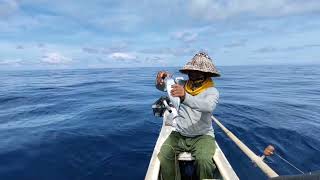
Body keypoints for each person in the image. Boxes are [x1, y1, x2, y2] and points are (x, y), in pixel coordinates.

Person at [155, 52, 220, 180]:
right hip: (179, 133)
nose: (192, 73)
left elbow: (208, 106)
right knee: (164, 155)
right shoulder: (182, 84)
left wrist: (184, 96)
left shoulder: (212, 91)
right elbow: (163, 87)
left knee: (204, 160)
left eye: (197, 71)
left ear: (206, 74)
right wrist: (161, 81)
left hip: (203, 136)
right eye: (191, 71)